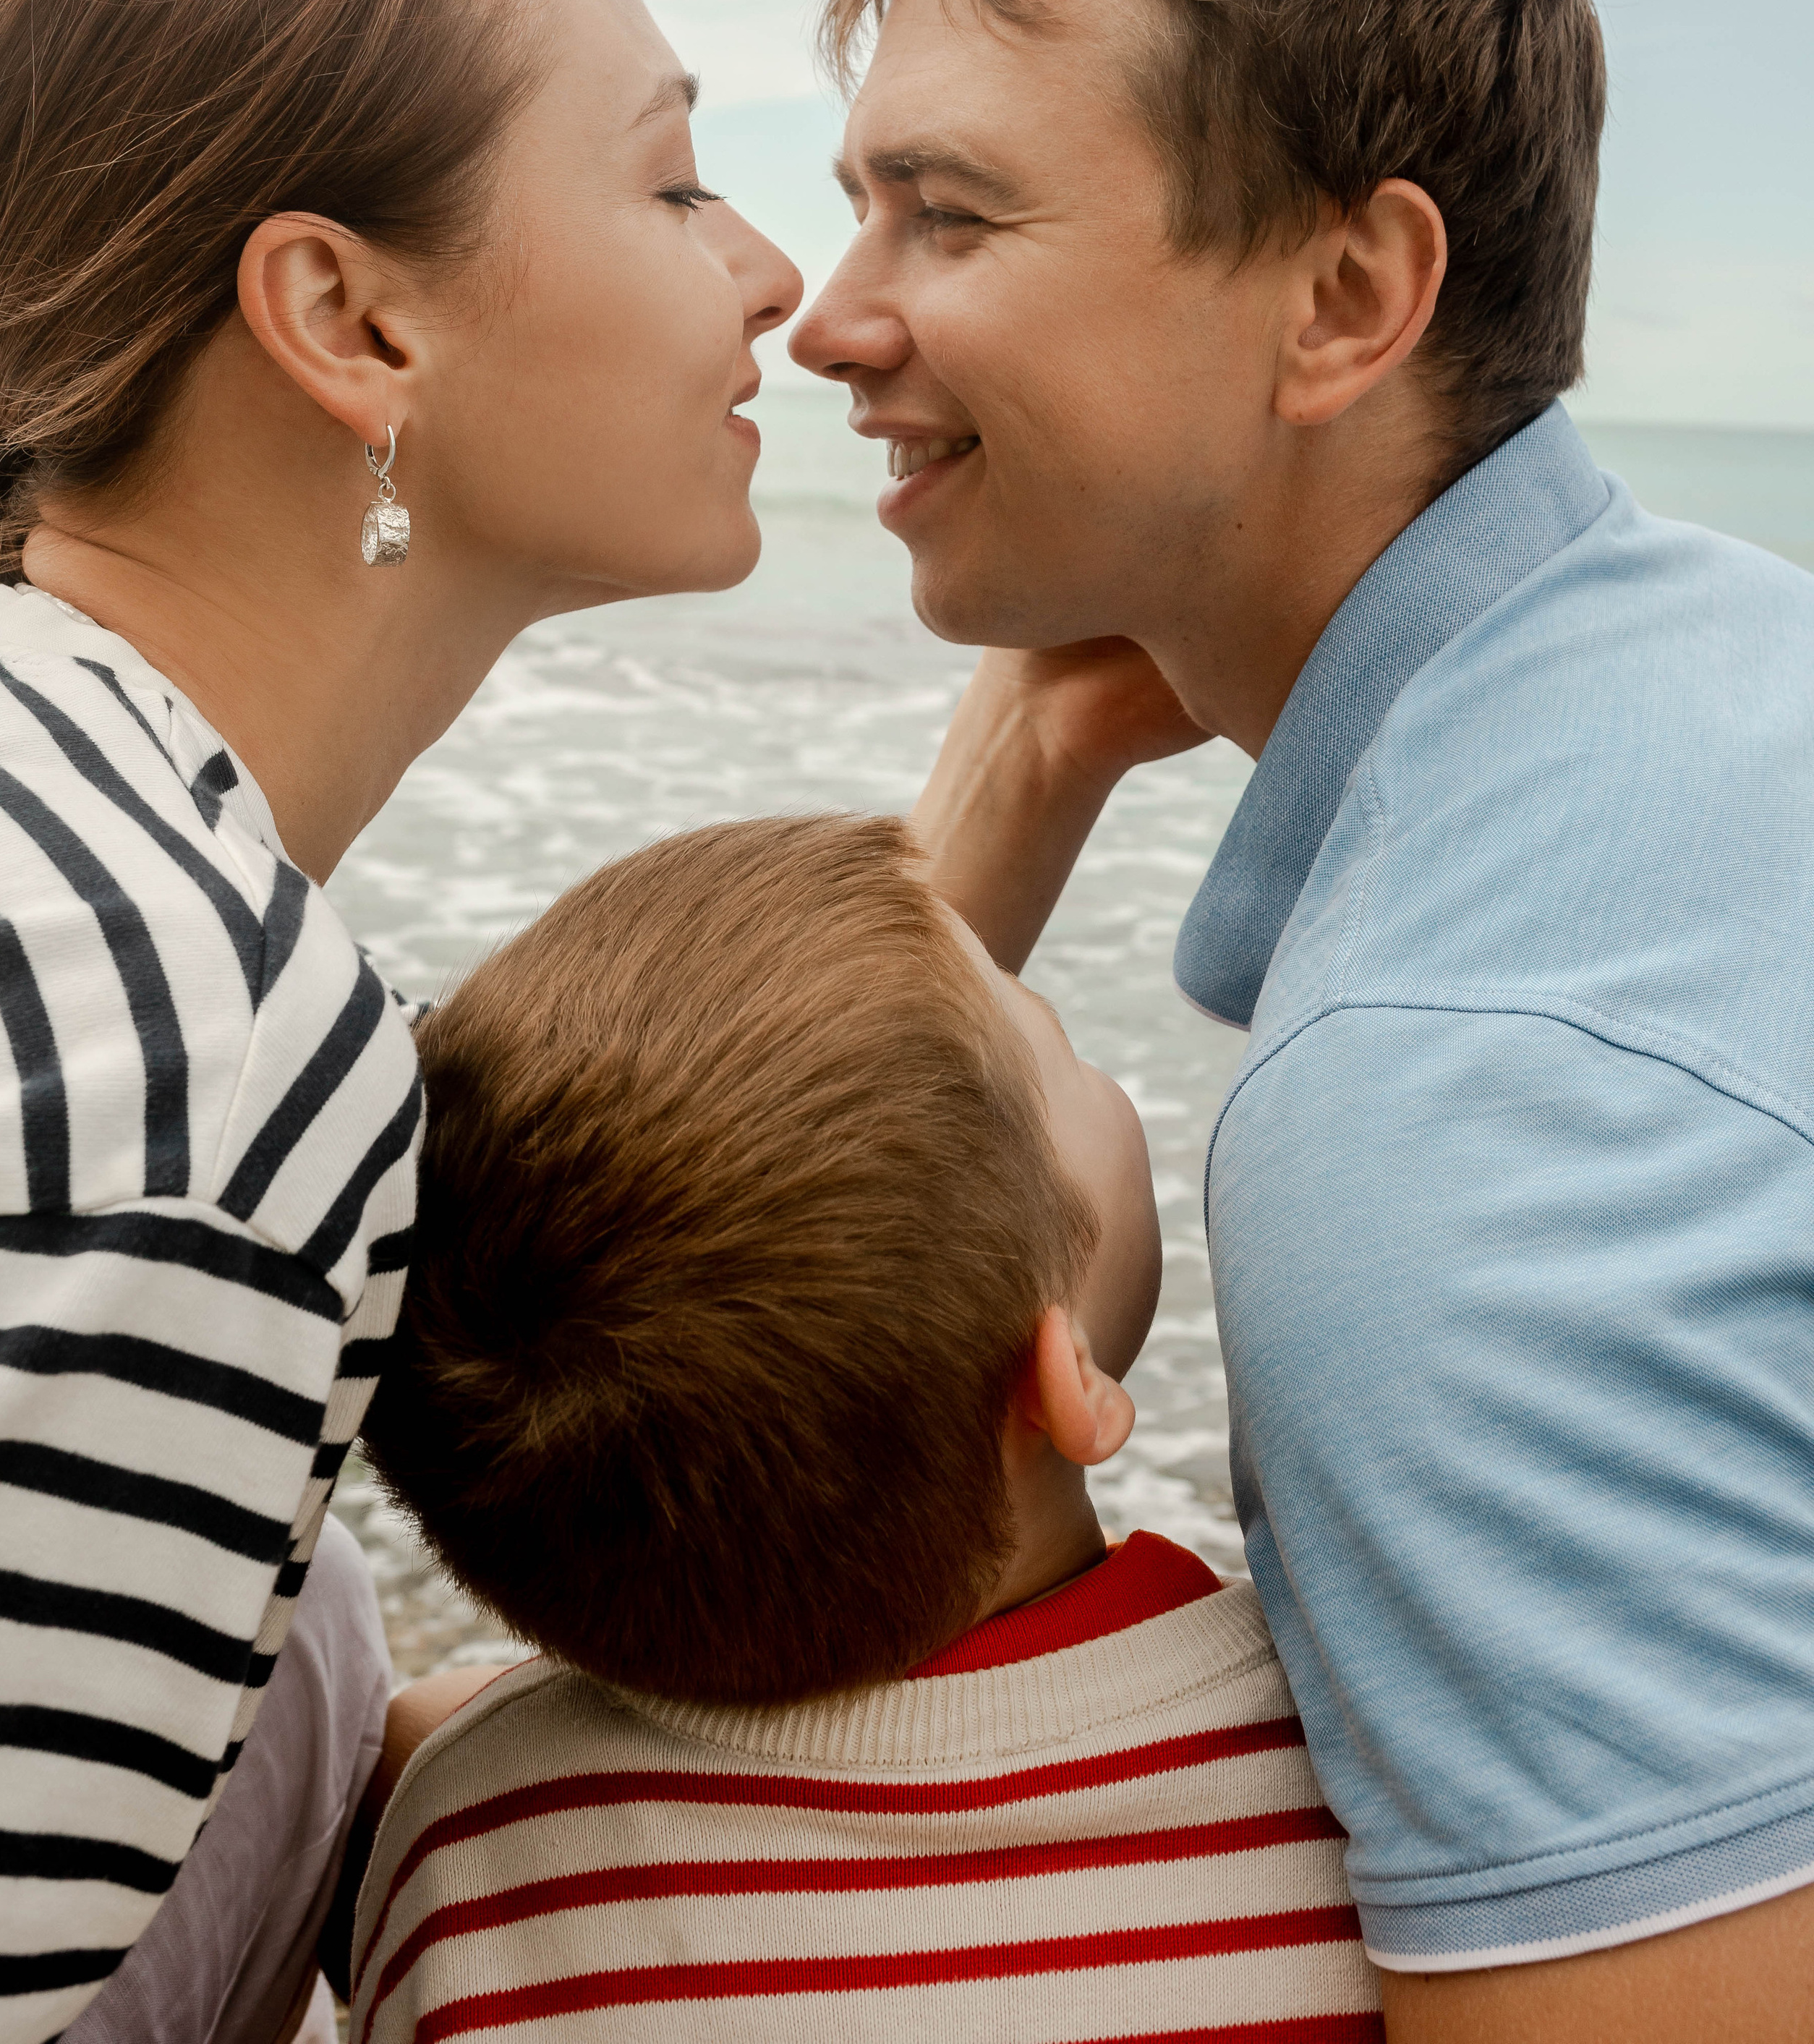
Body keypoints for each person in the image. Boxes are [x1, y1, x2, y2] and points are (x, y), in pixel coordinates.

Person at [788, 0, 1814, 2040]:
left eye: (947, 216)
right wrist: (1032, 751)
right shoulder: (1728, 673)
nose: (831, 319)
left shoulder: (1452, 1122)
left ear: (1348, 295)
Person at [0, 0, 800, 2041]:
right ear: (349, 321)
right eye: (675, 185)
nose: (779, 273)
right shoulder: (193, 1046)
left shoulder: (56, 845)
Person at [349, 811, 1384, 2040]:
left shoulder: (470, 1845)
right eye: (1061, 1048)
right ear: (1063, 1384)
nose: (1090, 1063)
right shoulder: (1333, 1755)